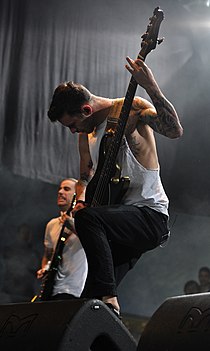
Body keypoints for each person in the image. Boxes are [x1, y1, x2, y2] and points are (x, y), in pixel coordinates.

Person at [47, 56, 183, 316]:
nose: (73, 131)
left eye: (72, 125)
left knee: (89, 222)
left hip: (149, 215)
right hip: (118, 223)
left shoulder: (129, 110)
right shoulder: (86, 135)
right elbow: (85, 175)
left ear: (86, 110)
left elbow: (174, 130)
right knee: (87, 306)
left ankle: (110, 298)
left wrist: (151, 86)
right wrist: (81, 198)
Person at [37, 178, 88, 300]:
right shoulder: (52, 225)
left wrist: (73, 225)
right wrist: (45, 268)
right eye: (59, 188)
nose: (60, 192)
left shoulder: (85, 222)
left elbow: (93, 241)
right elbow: (48, 254)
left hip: (74, 289)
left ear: (76, 195)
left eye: (66, 189)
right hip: (51, 289)